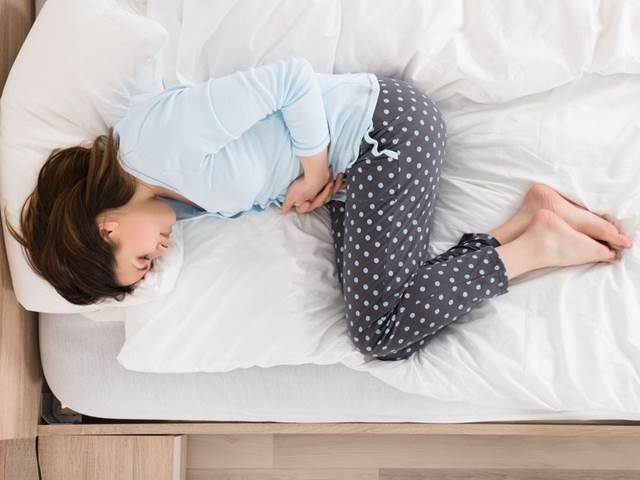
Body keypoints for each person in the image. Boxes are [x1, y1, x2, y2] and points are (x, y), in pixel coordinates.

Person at [5, 58, 633, 361]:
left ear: (106, 227)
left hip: (384, 132)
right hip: (356, 171)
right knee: (382, 321)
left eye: (142, 260)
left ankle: (535, 243)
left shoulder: (158, 144)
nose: (160, 258)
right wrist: (302, 189)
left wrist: (312, 167)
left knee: (381, 334)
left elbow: (290, 81)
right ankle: (526, 224)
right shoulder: (167, 198)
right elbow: (253, 171)